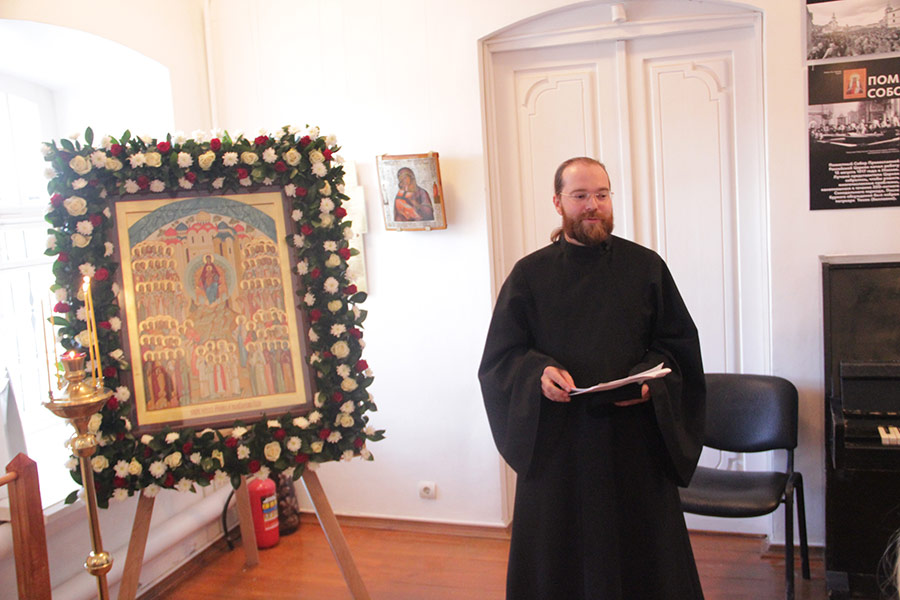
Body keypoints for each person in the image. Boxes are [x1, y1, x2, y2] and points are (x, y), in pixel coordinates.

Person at [478, 157, 706, 600]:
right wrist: (537, 372)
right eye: (580, 196)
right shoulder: (529, 275)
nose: (592, 206)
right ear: (558, 202)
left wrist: (650, 380)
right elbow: (502, 358)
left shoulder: (645, 267)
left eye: (601, 195)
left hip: (634, 444)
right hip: (559, 447)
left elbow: (677, 347)